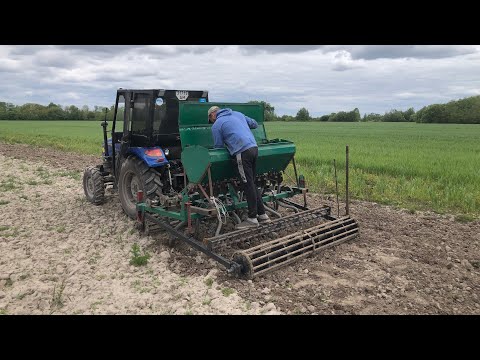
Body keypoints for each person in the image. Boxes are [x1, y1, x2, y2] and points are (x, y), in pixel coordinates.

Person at [208, 105, 271, 228]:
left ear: (213, 115)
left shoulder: (217, 124)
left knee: (247, 184)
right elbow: (254, 124)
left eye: (210, 119)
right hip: (254, 148)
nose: (212, 122)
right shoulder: (238, 114)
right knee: (252, 182)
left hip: (242, 152)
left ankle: (252, 218)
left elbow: (218, 147)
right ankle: (263, 215)